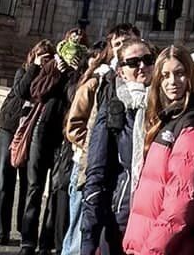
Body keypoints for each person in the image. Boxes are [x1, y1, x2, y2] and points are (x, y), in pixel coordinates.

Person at [124, 46, 194, 255]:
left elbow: (180, 204)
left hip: (162, 248)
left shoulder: (191, 126)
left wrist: (151, 250)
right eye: (165, 75)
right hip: (143, 242)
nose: (172, 82)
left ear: (190, 76)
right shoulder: (166, 119)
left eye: (179, 73)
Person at [64, 26, 141, 255]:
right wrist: (95, 147)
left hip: (120, 182)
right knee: (79, 237)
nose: (123, 47)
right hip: (89, 167)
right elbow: (74, 125)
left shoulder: (147, 89)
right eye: (118, 44)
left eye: (128, 42)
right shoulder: (98, 81)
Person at [82, 37, 155, 254]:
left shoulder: (167, 108)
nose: (142, 66)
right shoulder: (115, 108)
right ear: (121, 71)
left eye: (147, 59)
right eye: (132, 62)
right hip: (121, 214)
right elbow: (97, 170)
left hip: (153, 216)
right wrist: (89, 235)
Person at [19, 42, 83, 255]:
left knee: (55, 189)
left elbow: (74, 98)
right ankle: (28, 241)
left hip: (62, 137)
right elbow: (35, 91)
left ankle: (46, 242)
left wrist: (72, 73)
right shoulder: (52, 67)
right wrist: (57, 73)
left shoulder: (78, 73)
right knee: (34, 187)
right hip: (42, 131)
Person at [0, 41, 56, 246]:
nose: (44, 59)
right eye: (41, 55)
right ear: (33, 55)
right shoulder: (22, 71)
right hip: (9, 129)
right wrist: (34, 67)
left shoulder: (50, 78)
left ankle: (24, 229)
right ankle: (1, 231)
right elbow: (21, 91)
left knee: (28, 183)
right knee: (5, 179)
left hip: (32, 134)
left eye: (48, 57)